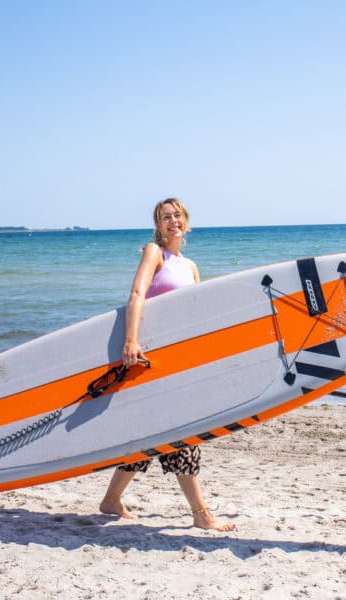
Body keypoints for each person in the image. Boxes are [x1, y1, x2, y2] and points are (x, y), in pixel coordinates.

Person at [99, 198, 235, 531]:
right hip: (151, 359)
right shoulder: (154, 252)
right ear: (158, 225)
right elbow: (136, 294)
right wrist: (130, 341)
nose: (172, 221)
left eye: (177, 216)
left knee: (149, 435)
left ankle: (110, 501)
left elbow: (196, 315)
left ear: (185, 221)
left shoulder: (190, 266)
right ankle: (201, 513)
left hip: (180, 362)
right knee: (184, 435)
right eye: (165, 217)